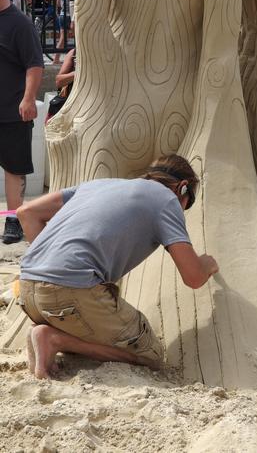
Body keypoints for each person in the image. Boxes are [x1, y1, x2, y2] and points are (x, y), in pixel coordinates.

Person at [16, 154, 219, 379]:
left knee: (82, 318)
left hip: (27, 291)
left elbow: (27, 213)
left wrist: (51, 267)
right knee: (150, 354)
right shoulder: (166, 199)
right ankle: (54, 338)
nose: (182, 211)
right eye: (187, 203)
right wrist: (207, 264)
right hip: (70, 295)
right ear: (182, 188)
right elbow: (193, 277)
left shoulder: (98, 185)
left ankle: (52, 334)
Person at [0, 0, 44, 244]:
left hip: (11, 110)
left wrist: (28, 99)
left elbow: (35, 64)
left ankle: (14, 220)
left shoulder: (20, 24)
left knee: (14, 169)